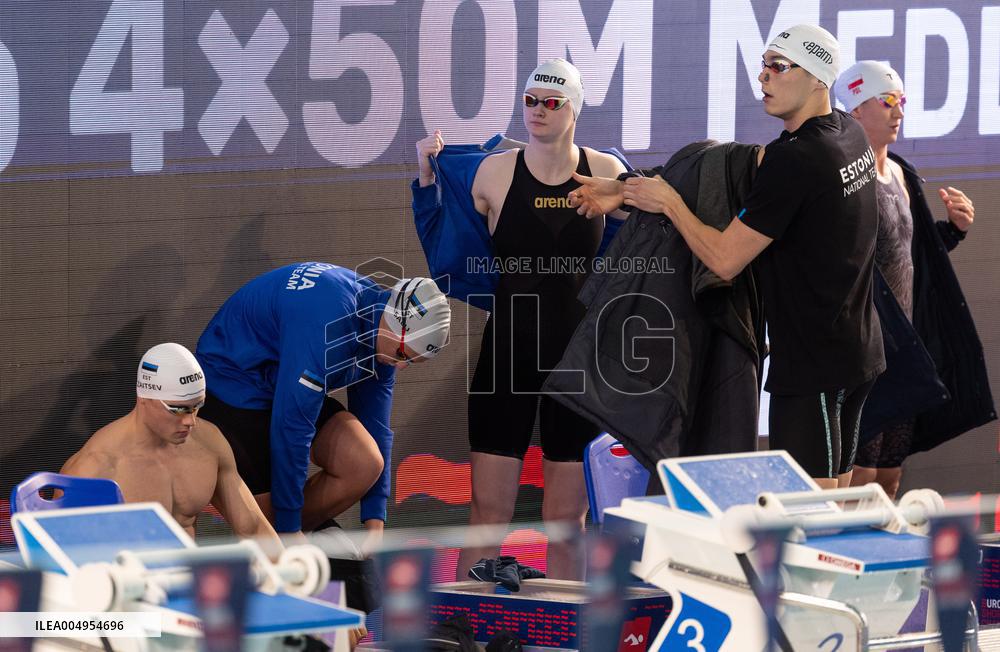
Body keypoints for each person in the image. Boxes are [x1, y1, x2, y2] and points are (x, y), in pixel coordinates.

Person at [570, 25, 884, 488]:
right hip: (858, 353)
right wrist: (624, 189)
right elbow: (744, 165)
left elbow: (723, 260)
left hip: (816, 365)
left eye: (778, 67)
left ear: (818, 78)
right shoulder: (845, 133)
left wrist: (669, 205)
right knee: (832, 506)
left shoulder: (798, 160)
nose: (763, 77)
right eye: (763, 65)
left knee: (811, 518)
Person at [414, 58, 628, 581]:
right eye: (530, 100)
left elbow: (659, 220)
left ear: (574, 109)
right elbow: (447, 237)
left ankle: (564, 633)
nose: (537, 110)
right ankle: (462, 628)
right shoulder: (493, 172)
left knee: (566, 520)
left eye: (551, 102)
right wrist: (425, 172)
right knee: (487, 516)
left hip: (577, 360)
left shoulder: (604, 172)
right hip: (507, 354)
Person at [195, 264, 451, 555]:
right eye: (403, 354)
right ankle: (275, 543)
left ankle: (289, 538)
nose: (401, 365)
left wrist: (375, 525)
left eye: (412, 362)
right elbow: (293, 427)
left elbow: (376, 426)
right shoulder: (330, 321)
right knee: (269, 529)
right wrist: (289, 528)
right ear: (394, 323)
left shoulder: (381, 329)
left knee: (365, 462)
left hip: (281, 380)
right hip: (232, 385)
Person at [833, 61, 991, 498]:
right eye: (887, 102)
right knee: (860, 475)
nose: (899, 112)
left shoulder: (900, 171)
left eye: (901, 102)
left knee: (888, 474)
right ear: (853, 110)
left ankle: (885, 561)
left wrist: (953, 230)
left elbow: (910, 251)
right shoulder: (845, 178)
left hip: (904, 346)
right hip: (865, 345)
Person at [62, 343, 281, 549]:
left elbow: (252, 528)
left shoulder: (209, 442)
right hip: (130, 584)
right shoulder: (96, 465)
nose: (190, 421)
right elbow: (56, 549)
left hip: (188, 580)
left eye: (197, 406)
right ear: (144, 398)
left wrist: (294, 581)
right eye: (178, 409)